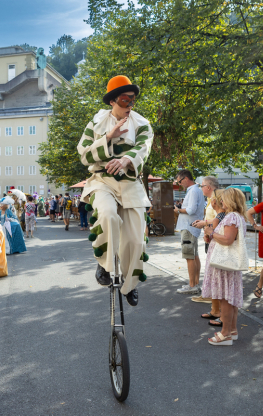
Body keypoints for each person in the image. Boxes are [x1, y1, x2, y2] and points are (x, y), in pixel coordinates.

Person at [77, 75, 153, 306]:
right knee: (108, 215)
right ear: (112, 101)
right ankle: (105, 265)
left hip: (130, 183)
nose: (130, 105)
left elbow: (143, 148)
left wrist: (126, 160)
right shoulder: (96, 123)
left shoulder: (142, 124)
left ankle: (130, 284)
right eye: (124, 100)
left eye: (132, 100)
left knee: (136, 241)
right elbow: (84, 154)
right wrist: (108, 138)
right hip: (102, 181)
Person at [201, 188, 248, 345]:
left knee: (225, 299)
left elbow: (227, 239)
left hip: (224, 264)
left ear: (231, 201)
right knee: (230, 297)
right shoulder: (237, 216)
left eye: (224, 199)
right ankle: (232, 330)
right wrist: (213, 237)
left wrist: (211, 232)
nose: (222, 202)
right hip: (227, 263)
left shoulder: (232, 216)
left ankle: (225, 333)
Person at [191, 189, 226, 325]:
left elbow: (221, 233)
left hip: (220, 254)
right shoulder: (222, 215)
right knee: (214, 281)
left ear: (214, 201)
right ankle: (215, 310)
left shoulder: (223, 216)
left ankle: (221, 315)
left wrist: (209, 232)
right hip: (216, 251)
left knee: (218, 282)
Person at [174, 169, 204, 295]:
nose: (179, 184)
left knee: (189, 257)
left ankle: (192, 285)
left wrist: (178, 211)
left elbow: (191, 210)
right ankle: (195, 283)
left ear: (186, 178)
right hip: (192, 227)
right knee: (194, 255)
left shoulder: (193, 191)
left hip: (188, 227)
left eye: (180, 181)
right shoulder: (197, 190)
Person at [192, 176, 219, 304]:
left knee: (214, 270)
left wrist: (204, 223)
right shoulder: (210, 199)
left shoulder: (216, 199)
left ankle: (212, 298)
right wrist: (206, 229)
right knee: (210, 269)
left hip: (217, 238)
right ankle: (209, 295)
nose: (201, 188)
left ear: (208, 187)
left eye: (202, 186)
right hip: (211, 236)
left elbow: (220, 219)